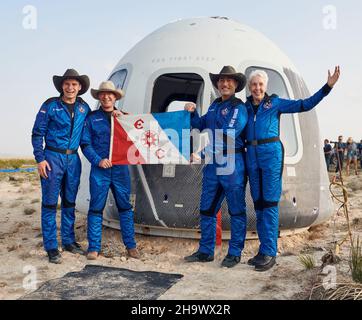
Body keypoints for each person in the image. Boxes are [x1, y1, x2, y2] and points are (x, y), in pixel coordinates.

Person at [244, 66, 340, 271]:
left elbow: (304, 105)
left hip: (270, 155)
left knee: (269, 203)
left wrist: (327, 87)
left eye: (260, 84)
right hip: (252, 157)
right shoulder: (245, 107)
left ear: (265, 86)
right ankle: (263, 249)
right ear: (249, 87)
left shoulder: (274, 103)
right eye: (254, 84)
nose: (257, 88)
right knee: (259, 204)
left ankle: (270, 252)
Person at [183, 66, 248, 268]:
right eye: (221, 80)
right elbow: (200, 124)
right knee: (207, 209)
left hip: (231, 163)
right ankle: (205, 251)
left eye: (229, 80)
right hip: (213, 166)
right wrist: (192, 113)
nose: (224, 84)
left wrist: (202, 154)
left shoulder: (239, 107)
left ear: (236, 84)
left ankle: (235, 253)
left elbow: (226, 137)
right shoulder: (214, 106)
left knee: (236, 210)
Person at [31, 69, 91, 264]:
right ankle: (51, 246)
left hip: (73, 160)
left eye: (74, 84)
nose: (70, 87)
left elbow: (95, 127)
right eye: (67, 84)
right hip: (52, 158)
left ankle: (68, 241)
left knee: (69, 203)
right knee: (49, 203)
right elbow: (37, 133)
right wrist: (40, 159)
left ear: (80, 87)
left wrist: (116, 113)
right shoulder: (50, 106)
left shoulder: (84, 108)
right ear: (61, 86)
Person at [80, 81, 140, 260]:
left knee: (125, 207)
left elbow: (138, 136)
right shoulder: (91, 119)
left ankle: (131, 246)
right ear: (99, 96)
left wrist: (123, 119)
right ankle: (94, 248)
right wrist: (98, 160)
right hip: (100, 170)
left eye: (110, 94)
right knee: (96, 207)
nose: (106, 97)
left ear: (115, 97)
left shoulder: (125, 117)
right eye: (103, 94)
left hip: (120, 169)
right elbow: (85, 143)